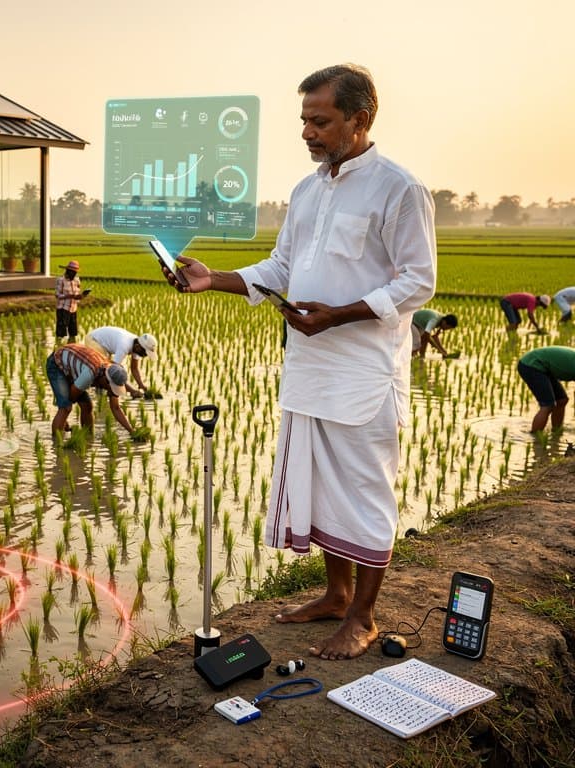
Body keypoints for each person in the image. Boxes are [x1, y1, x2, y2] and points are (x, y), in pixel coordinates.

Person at [161, 64, 436, 660]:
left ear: (360, 120)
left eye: (321, 120)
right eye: (304, 121)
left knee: (364, 489)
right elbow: (282, 268)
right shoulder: (308, 190)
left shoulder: (398, 188)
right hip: (309, 364)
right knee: (321, 486)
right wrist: (215, 280)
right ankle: (336, 595)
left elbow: (418, 281)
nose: (308, 132)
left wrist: (338, 315)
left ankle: (362, 617)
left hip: (363, 369)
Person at [46, 344, 136, 437]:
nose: (111, 391)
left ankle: (88, 438)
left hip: (74, 367)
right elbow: (71, 396)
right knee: (66, 408)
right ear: (105, 380)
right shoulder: (89, 374)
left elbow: (116, 408)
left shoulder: (113, 374)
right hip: (57, 363)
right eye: (111, 388)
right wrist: (64, 419)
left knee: (87, 406)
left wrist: (131, 431)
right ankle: (57, 445)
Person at [85, 326, 158, 396]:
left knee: (106, 366)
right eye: (145, 353)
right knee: (103, 368)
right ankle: (98, 394)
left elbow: (134, 368)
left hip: (104, 345)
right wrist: (132, 391)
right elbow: (113, 371)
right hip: (94, 339)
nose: (144, 355)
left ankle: (101, 392)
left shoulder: (137, 346)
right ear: (137, 347)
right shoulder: (124, 345)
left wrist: (141, 385)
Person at [517, 346, 575, 433]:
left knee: (562, 400)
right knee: (548, 405)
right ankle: (536, 438)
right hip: (532, 365)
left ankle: (556, 431)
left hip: (543, 367)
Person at [55, 260, 88, 344]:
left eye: (75, 272)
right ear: (68, 271)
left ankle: (72, 346)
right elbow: (57, 295)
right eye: (73, 272)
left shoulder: (77, 280)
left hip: (73, 308)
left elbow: (77, 294)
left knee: (73, 332)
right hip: (63, 308)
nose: (74, 274)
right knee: (61, 333)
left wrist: (81, 296)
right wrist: (69, 296)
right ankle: (59, 347)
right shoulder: (61, 280)